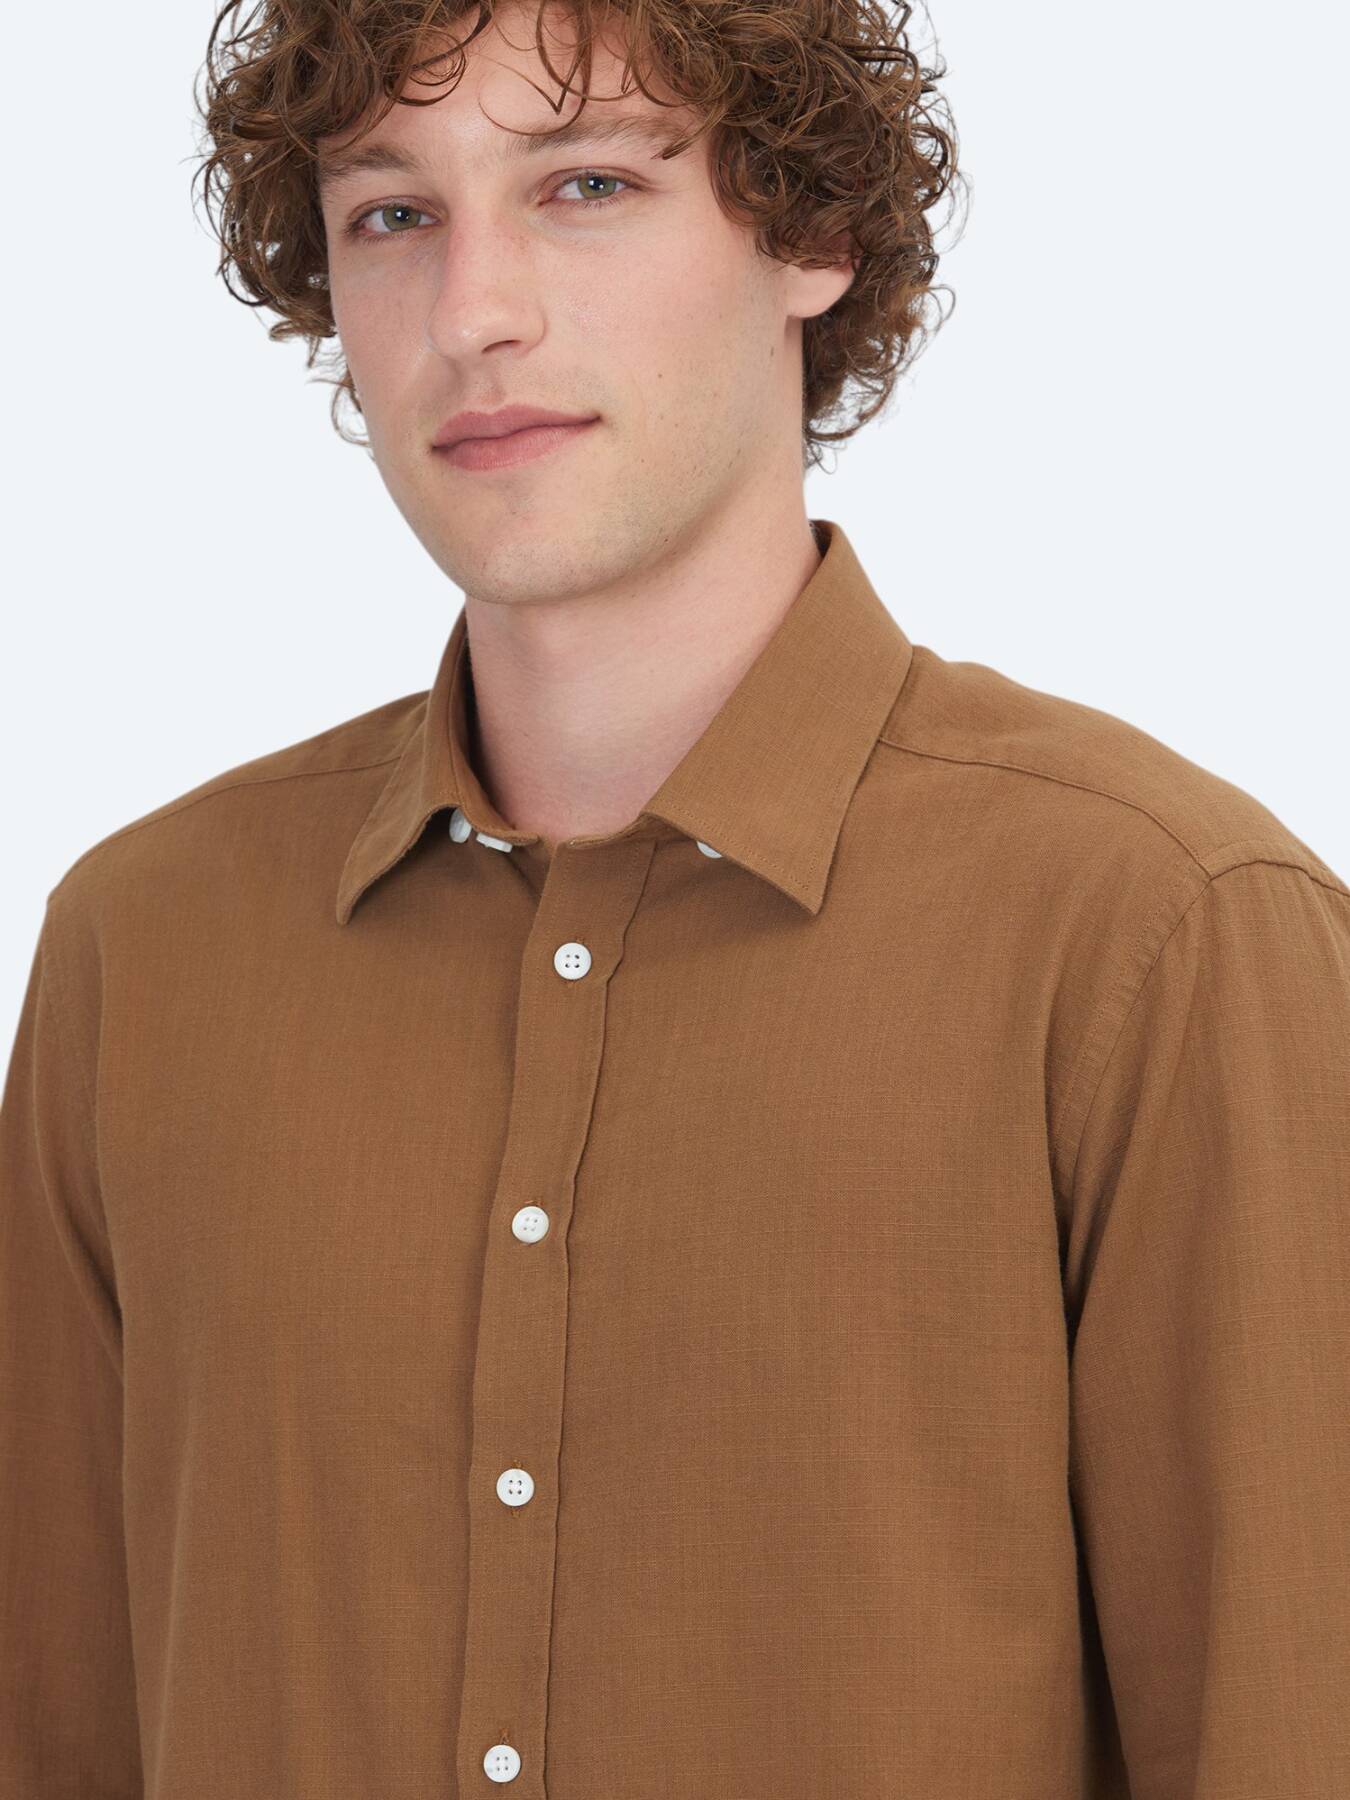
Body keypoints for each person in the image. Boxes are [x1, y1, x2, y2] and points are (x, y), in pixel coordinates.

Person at [2, 1, 1347, 1796]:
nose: (471, 313)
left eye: (583, 187)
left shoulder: (1159, 933)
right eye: (393, 214)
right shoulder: (143, 952)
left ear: (810, 233)